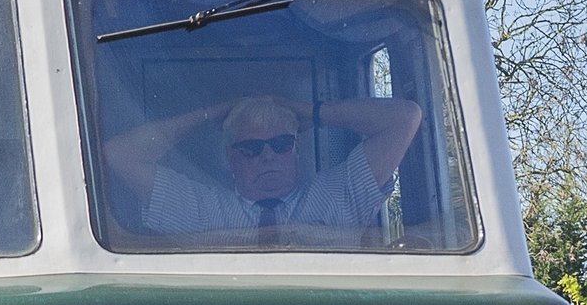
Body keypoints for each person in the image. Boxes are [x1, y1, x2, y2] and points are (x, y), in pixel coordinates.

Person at [103, 92, 424, 244]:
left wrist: (309, 111)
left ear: (296, 149)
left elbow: (405, 118)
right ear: (230, 156)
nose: (268, 156)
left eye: (281, 144)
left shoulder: (338, 193)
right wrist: (210, 112)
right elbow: (120, 154)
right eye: (252, 149)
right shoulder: (198, 208)